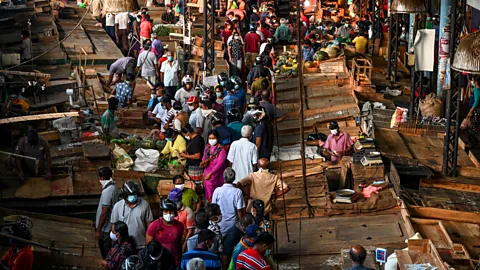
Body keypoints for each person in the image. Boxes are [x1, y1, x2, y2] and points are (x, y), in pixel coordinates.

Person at [111, 181, 153, 250]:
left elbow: (149, 224)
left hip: (140, 245)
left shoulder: (145, 205)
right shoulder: (118, 206)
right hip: (123, 245)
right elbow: (113, 227)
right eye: (130, 195)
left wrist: (148, 242)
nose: (132, 196)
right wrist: (113, 245)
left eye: (134, 194)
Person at [146, 199, 184, 267]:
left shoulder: (180, 226)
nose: (169, 214)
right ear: (162, 212)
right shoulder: (154, 225)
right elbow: (148, 245)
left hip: (175, 261)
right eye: (166, 211)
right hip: (159, 262)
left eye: (171, 211)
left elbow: (181, 242)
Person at [211, 167, 246, 235]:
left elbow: (213, 209)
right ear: (234, 178)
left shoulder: (217, 191)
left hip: (219, 224)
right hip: (233, 225)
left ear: (223, 178)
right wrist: (242, 226)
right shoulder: (238, 192)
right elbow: (240, 211)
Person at [96, 167, 120, 259]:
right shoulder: (114, 187)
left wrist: (98, 230)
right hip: (109, 225)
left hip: (105, 228)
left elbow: (104, 213)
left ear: (101, 178)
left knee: (105, 250)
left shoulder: (107, 191)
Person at [201, 130, 227, 202]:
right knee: (209, 193)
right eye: (210, 138)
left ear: (217, 138)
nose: (211, 140)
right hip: (207, 174)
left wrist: (212, 173)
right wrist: (204, 162)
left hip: (217, 175)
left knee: (218, 194)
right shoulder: (207, 148)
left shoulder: (221, 150)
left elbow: (220, 163)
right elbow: (204, 158)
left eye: (213, 138)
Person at [168, 188, 195, 252]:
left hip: (181, 241)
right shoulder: (169, 210)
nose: (174, 203)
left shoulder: (188, 211)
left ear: (180, 200)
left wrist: (183, 247)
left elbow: (190, 232)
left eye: (175, 201)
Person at [467, 76, 480, 146]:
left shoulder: (478, 90)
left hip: (476, 110)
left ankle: (473, 143)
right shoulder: (475, 89)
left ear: (476, 82)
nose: (472, 82)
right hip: (473, 109)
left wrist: (471, 111)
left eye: (473, 80)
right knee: (471, 125)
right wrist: (468, 87)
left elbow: (476, 101)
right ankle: (471, 141)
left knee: (473, 126)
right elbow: (469, 96)